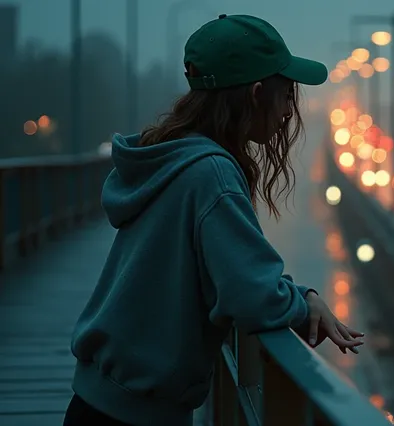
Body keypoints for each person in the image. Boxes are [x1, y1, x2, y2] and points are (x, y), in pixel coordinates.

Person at [63, 14, 364, 426]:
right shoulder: (211, 175)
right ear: (258, 94)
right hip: (135, 416)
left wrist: (300, 294)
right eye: (288, 93)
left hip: (101, 402)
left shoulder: (175, 156)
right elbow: (250, 295)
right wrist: (300, 305)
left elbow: (234, 270)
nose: (288, 112)